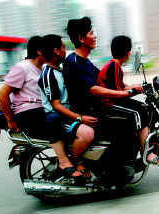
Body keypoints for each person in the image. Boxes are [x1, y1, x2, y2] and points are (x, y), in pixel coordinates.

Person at [63, 17, 138, 181]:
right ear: (81, 38)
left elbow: (105, 83)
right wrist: (125, 94)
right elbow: (94, 89)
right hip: (87, 114)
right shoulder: (73, 62)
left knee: (130, 117)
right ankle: (112, 171)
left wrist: (130, 88)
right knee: (128, 122)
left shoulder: (86, 62)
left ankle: (121, 163)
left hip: (96, 110)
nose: (95, 36)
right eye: (91, 33)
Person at [97, 35, 159, 165]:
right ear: (128, 52)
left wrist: (134, 87)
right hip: (108, 105)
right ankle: (147, 152)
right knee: (138, 113)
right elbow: (118, 94)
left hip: (112, 102)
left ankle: (140, 144)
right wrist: (132, 91)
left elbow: (119, 85)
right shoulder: (114, 67)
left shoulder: (113, 66)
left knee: (143, 107)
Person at [38, 34, 96, 178]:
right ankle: (70, 162)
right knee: (87, 134)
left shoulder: (61, 70)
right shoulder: (48, 74)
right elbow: (56, 105)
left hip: (68, 114)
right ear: (56, 51)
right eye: (63, 47)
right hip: (58, 118)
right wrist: (80, 118)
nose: (66, 51)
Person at [0, 36, 46, 138]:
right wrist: (10, 120)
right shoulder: (22, 68)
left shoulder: (44, 68)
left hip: (39, 111)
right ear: (39, 51)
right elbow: (2, 94)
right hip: (27, 114)